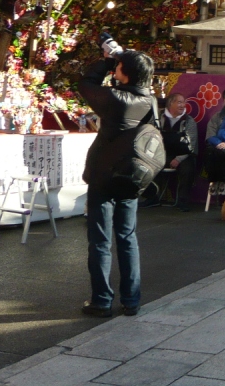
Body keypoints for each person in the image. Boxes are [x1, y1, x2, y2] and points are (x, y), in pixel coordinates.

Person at [77, 47, 157, 318]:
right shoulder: (150, 100)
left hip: (104, 176)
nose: (115, 69)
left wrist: (107, 59)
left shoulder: (116, 99)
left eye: (119, 66)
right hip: (132, 176)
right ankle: (131, 300)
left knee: (100, 240)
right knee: (127, 237)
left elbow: (86, 84)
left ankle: (102, 300)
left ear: (126, 73)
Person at [144, 92, 197, 211]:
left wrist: (178, 159)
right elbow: (148, 135)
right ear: (170, 104)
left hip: (182, 156)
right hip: (161, 154)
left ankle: (183, 201)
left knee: (188, 168)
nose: (183, 105)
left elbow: (192, 145)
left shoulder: (188, 121)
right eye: (179, 102)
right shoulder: (157, 118)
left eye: (184, 102)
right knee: (148, 164)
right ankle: (152, 197)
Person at [203, 87, 225, 190]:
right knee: (209, 151)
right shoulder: (218, 116)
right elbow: (210, 133)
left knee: (223, 153)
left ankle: (224, 181)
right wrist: (218, 143)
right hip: (218, 145)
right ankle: (213, 181)